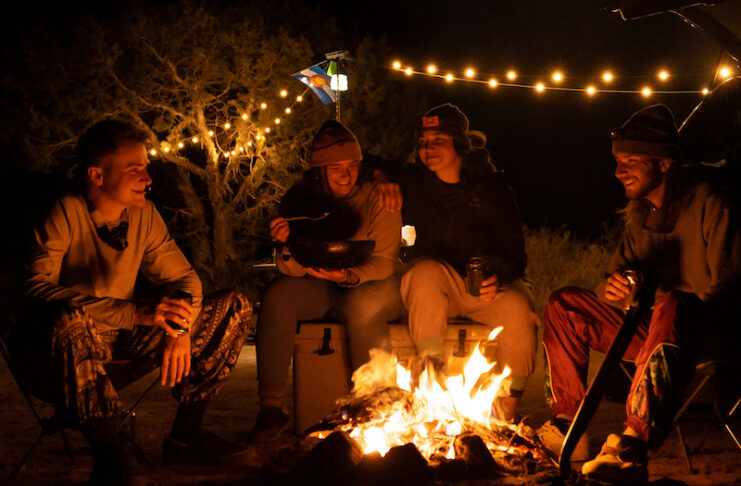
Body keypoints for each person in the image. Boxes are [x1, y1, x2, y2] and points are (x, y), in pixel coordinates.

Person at [16, 119, 253, 485]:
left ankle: (185, 437)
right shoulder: (65, 211)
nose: (147, 178)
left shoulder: (144, 214)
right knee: (69, 319)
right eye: (135, 169)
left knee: (233, 306)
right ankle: (112, 454)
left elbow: (185, 279)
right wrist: (136, 313)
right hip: (58, 358)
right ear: (96, 175)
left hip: (121, 344)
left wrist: (179, 328)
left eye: (146, 167)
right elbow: (34, 286)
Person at [537, 104, 741, 483]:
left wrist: (670, 306)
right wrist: (612, 288)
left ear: (664, 163)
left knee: (672, 303)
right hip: (655, 333)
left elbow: (730, 291)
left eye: (631, 160)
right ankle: (568, 427)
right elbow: (614, 280)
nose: (618, 171)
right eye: (617, 161)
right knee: (564, 304)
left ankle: (630, 446)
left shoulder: (711, 203)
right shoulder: (642, 215)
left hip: (710, 336)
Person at [376, 103, 539, 423]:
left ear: (458, 143)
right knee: (422, 273)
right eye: (423, 142)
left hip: (483, 286)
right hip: (437, 287)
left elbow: (516, 253)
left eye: (438, 140)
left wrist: (496, 273)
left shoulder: (491, 188)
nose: (429, 149)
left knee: (519, 309)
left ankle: (508, 407)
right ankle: (432, 381)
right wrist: (381, 176)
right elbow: (369, 162)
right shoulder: (416, 182)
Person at [252, 120, 402, 442]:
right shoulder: (302, 201)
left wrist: (349, 275)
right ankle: (271, 408)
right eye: (335, 168)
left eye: (352, 165)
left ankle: (373, 403)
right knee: (280, 295)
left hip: (374, 282)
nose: (345, 175)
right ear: (319, 170)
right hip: (325, 282)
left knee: (363, 303)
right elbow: (290, 267)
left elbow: (385, 262)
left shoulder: (378, 196)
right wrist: (287, 246)